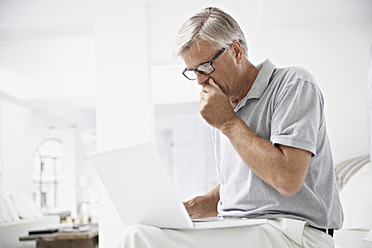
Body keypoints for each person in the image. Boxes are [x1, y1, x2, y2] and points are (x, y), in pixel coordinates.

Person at [117, 7, 343, 248]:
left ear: (236, 51)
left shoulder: (293, 84)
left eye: (205, 67)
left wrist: (227, 122)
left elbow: (287, 180)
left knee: (137, 239)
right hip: (238, 227)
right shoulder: (225, 108)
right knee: (141, 231)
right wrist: (186, 210)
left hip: (290, 232)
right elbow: (239, 189)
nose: (201, 80)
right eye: (193, 72)